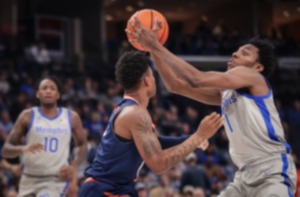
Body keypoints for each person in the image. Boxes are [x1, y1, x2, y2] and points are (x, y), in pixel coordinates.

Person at [126, 18, 297, 197]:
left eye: (245, 53)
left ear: (258, 67)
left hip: (272, 170)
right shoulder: (227, 93)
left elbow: (196, 79)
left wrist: (157, 46)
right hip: (244, 176)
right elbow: (176, 86)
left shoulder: (254, 77)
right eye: (236, 51)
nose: (235, 54)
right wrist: (153, 48)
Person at [79, 51, 224, 197]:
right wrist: (198, 136)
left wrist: (191, 139)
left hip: (113, 188)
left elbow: (155, 143)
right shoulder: (135, 114)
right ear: (147, 80)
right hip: (102, 189)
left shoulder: (128, 109)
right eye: (154, 76)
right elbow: (158, 163)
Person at [2, 76, 87, 197]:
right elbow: (6, 151)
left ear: (58, 94)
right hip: (28, 178)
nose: (48, 91)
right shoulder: (27, 116)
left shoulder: (71, 117)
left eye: (52, 88)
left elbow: (82, 144)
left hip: (55, 179)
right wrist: (23, 149)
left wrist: (74, 165)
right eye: (44, 88)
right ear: (37, 94)